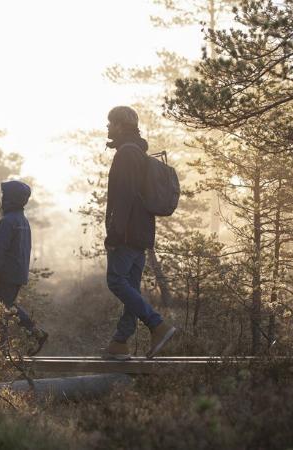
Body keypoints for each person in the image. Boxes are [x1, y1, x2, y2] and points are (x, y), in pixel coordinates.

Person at [102, 106, 176, 360]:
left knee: (116, 281)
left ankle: (157, 325)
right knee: (130, 286)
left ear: (121, 126)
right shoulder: (139, 154)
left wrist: (113, 234)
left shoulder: (125, 154)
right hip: (142, 234)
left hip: (126, 234)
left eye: (110, 123)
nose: (108, 128)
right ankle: (120, 342)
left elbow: (124, 197)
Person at [0, 180, 48, 356]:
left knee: (2, 307)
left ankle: (28, 336)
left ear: (10, 199)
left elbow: (0, 249)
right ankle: (2, 345)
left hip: (8, 273)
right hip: (18, 272)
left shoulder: (7, 221)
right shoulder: (23, 221)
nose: (2, 199)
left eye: (4, 196)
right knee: (5, 307)